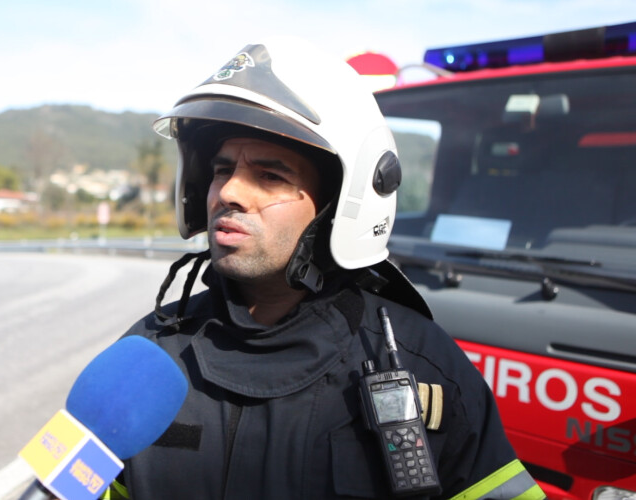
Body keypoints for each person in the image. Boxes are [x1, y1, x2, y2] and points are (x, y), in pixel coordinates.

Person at [107, 38, 544, 500]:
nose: (229, 191)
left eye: (269, 175)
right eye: (221, 169)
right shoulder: (144, 357)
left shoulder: (425, 367)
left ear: (339, 205)